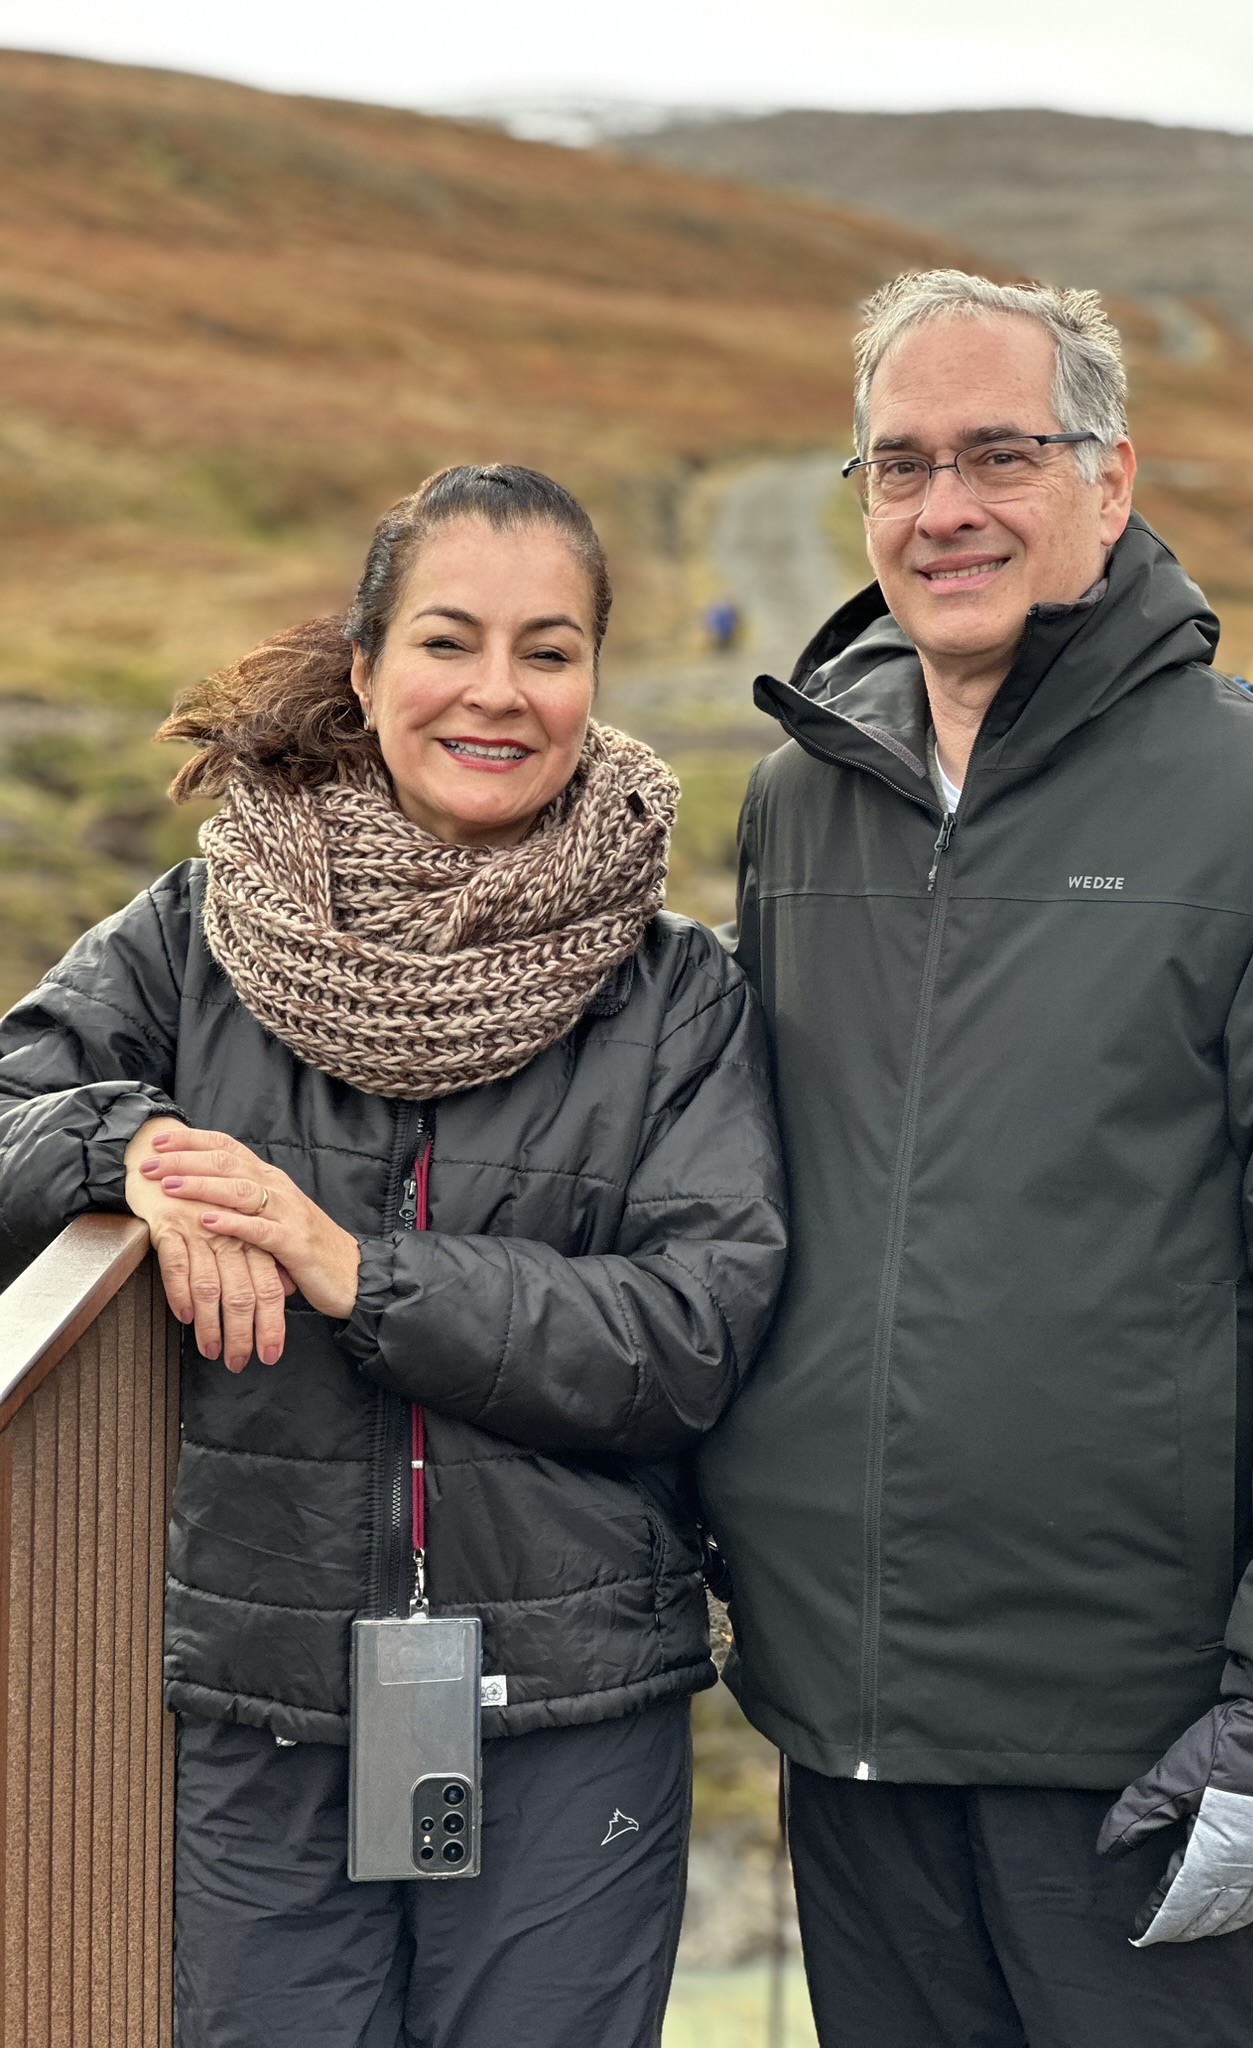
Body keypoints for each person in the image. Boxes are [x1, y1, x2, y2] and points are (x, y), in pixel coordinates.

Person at [696, 270, 1253, 2047]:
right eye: (900, 464)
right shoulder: (801, 801)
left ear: (1110, 482)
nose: (944, 507)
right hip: (852, 1730)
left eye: (1000, 454)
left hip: (1148, 1748)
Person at [0, 463, 786, 2048]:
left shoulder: (678, 995)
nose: (497, 691)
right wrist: (130, 1155)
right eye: (448, 640)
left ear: (594, 681)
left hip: (573, 1714)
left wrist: (357, 1271)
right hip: (265, 1709)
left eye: (549, 651)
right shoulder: (198, 934)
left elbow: (689, 1333)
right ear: (365, 673)